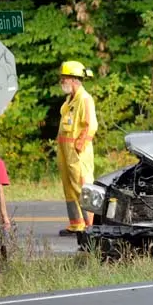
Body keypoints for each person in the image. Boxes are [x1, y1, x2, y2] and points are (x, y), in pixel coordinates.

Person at [56, 60, 98, 237]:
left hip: (77, 154)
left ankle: (92, 226)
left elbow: (91, 125)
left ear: (73, 79)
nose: (61, 82)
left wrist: (78, 146)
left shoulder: (85, 99)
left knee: (82, 187)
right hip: (66, 153)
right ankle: (77, 224)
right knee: (69, 187)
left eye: (64, 78)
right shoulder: (69, 100)